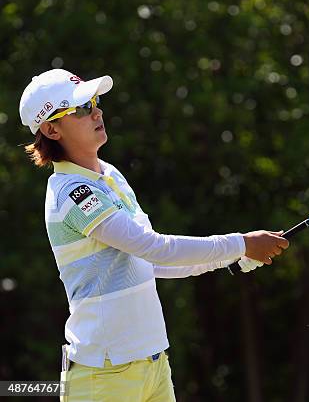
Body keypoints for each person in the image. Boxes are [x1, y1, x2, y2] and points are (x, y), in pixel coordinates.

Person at [19, 68, 289, 401]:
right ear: (51, 129)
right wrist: (242, 243)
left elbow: (149, 261)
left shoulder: (110, 175)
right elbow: (154, 247)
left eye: (95, 101)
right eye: (82, 108)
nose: (97, 111)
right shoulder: (71, 193)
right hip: (103, 376)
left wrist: (233, 257)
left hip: (154, 365)